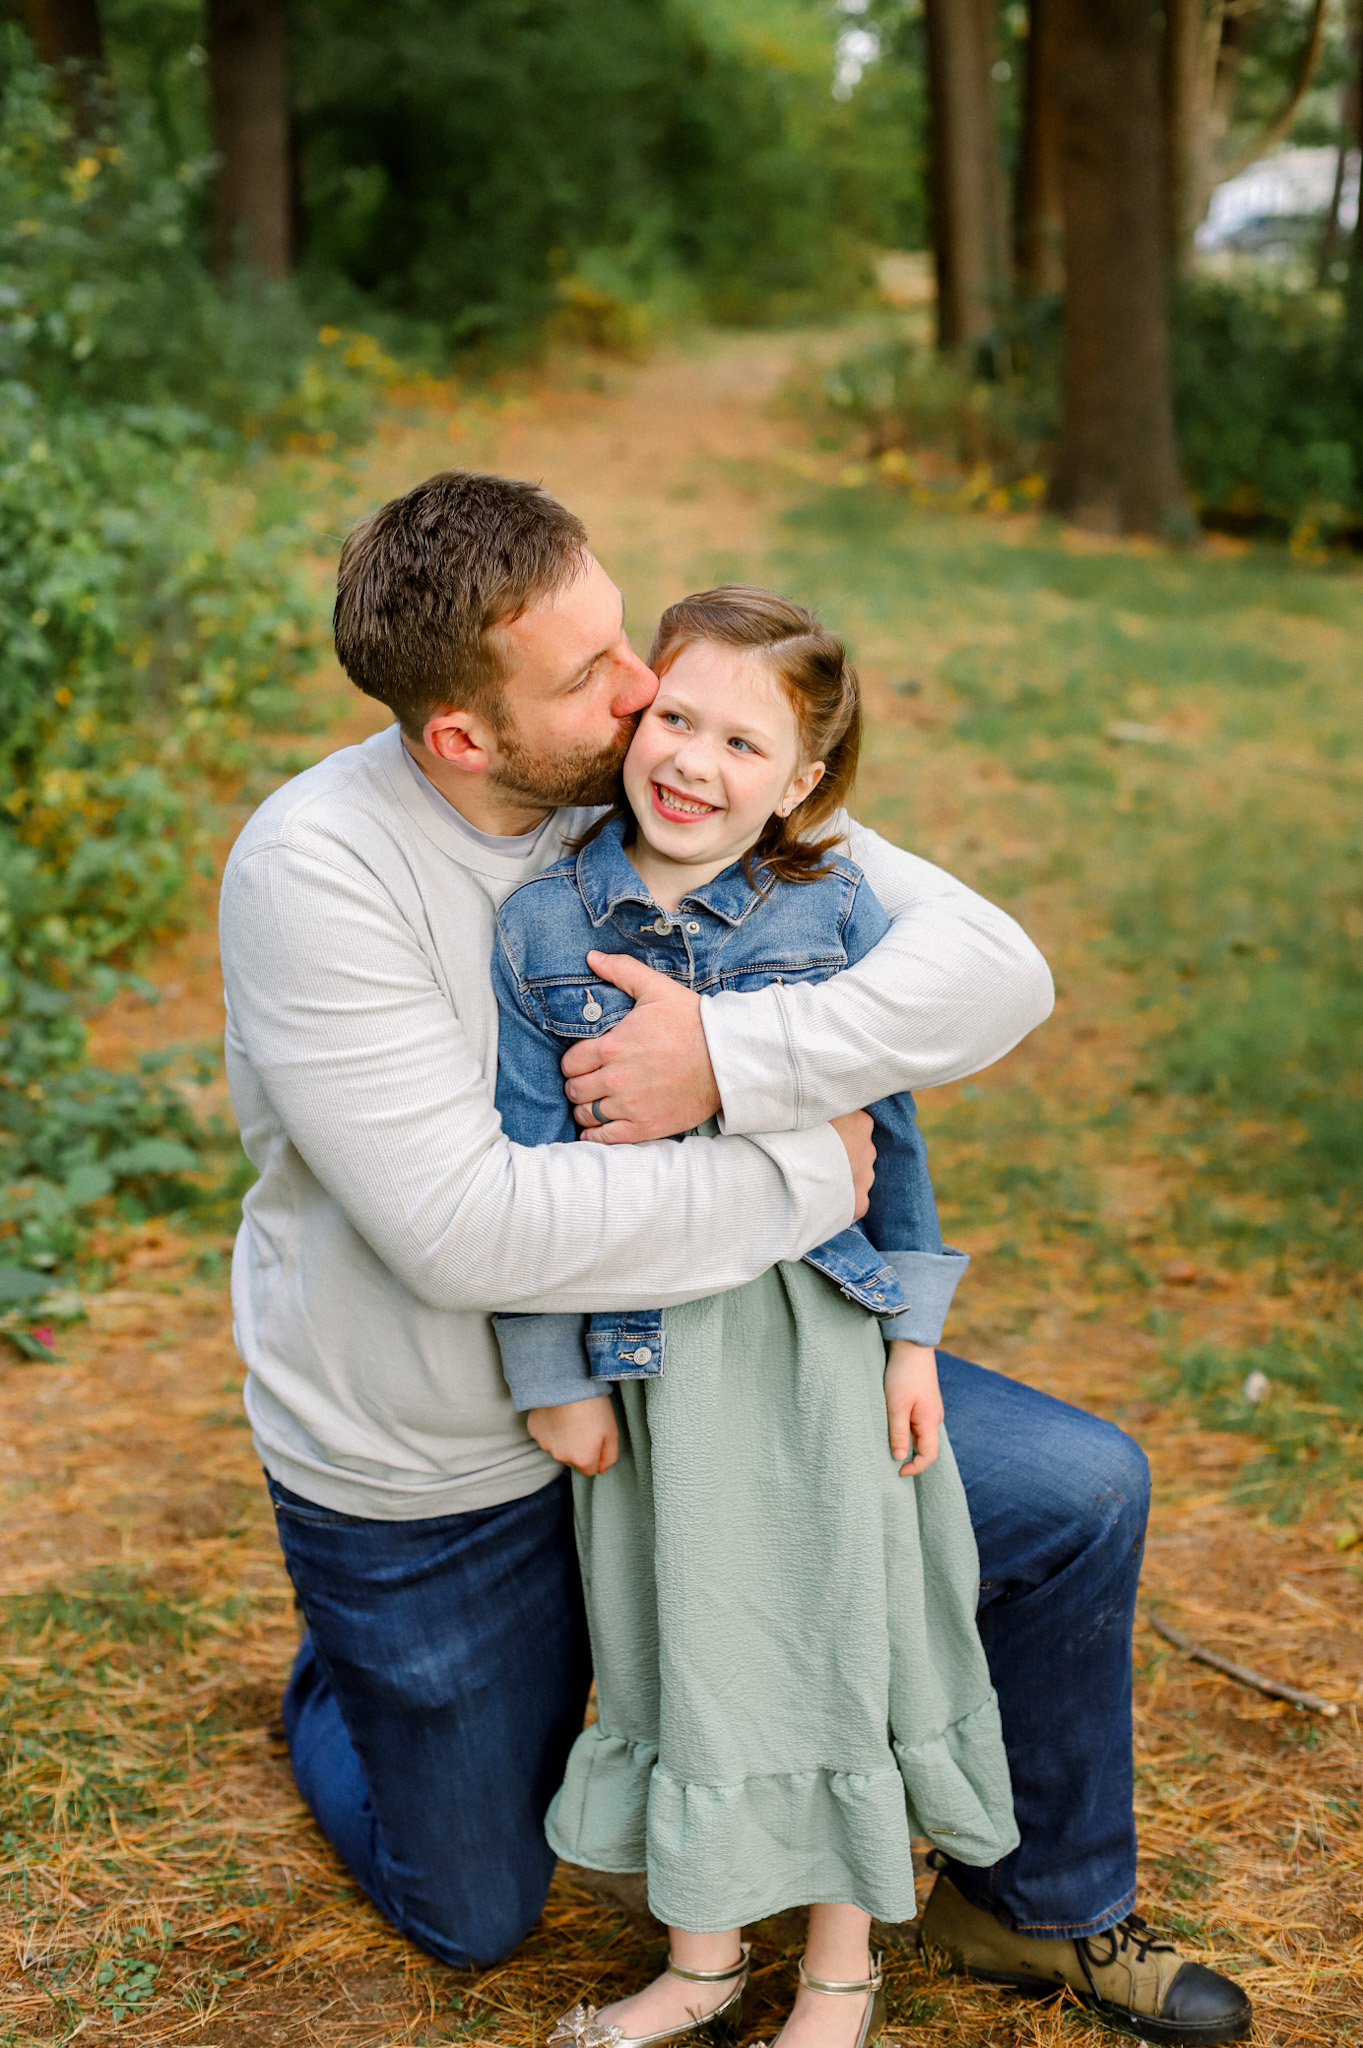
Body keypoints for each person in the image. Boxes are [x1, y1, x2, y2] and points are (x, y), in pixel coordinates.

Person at [218, 470, 1251, 2046]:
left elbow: (994, 971)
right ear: (463, 738)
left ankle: (1036, 1901)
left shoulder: (662, 779)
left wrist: (731, 1058)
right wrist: (800, 1165)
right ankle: (349, 1675)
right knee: (477, 1912)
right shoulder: (317, 871)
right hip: (453, 1462)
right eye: (595, 674)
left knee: (1077, 1495)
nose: (646, 692)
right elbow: (463, 1231)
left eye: (625, 636)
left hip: (725, 1379)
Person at [490, 587, 1018, 2048]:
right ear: (635, 715)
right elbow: (524, 1170)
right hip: (650, 1353)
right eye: (676, 718)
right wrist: (552, 1372)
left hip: (813, 1334)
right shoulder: (543, 925)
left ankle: (840, 1968)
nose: (694, 762)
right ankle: (704, 1956)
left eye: (743, 744)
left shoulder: (834, 912)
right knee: (686, 1637)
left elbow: (891, 1141)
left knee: (842, 1627)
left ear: (801, 783)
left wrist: (912, 1340)